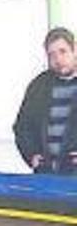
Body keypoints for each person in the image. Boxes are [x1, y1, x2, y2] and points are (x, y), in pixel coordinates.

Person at [13, 27, 77, 175]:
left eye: (63, 51)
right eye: (51, 55)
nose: (58, 59)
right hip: (46, 175)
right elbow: (22, 126)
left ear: (75, 50)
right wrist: (31, 155)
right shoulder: (39, 86)